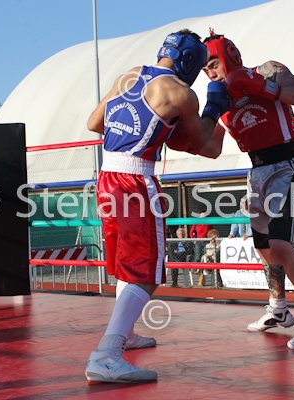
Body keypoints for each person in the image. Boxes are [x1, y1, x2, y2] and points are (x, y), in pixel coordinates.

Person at [85, 29, 231, 383]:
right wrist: (214, 107)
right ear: (191, 62)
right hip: (136, 181)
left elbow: (94, 123)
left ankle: (127, 332)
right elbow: (204, 143)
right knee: (146, 271)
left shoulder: (129, 75)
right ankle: (106, 354)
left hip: (106, 177)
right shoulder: (180, 93)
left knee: (127, 265)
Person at [201, 31, 294, 349]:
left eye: (213, 64)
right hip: (257, 172)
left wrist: (263, 87)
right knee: (264, 247)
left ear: (228, 56)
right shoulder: (221, 96)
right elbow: (212, 149)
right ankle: (278, 308)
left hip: (287, 163)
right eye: (205, 69)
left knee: (281, 244)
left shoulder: (268, 70)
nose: (210, 73)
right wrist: (182, 132)